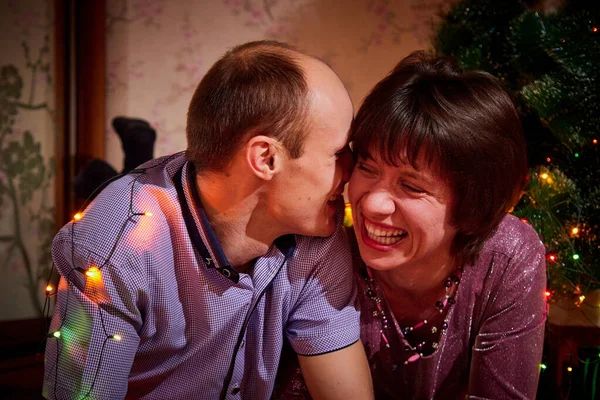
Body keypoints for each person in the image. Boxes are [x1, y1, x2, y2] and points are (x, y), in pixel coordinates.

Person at [43, 41, 374, 400]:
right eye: (338, 152)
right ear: (265, 158)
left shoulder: (317, 238)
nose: (352, 168)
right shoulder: (115, 249)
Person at [274, 51, 547, 399]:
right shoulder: (325, 250)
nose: (371, 204)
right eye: (367, 168)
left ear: (474, 203)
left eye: (412, 186)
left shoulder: (507, 255)